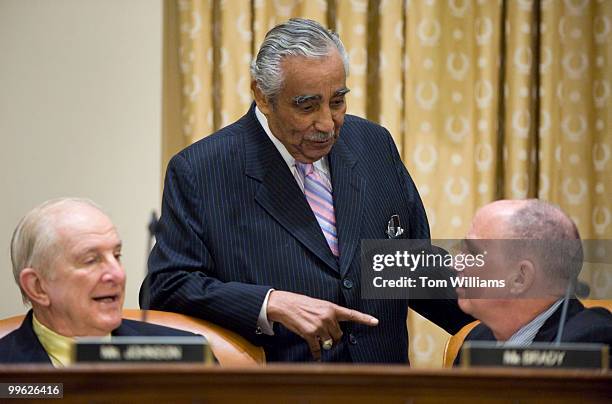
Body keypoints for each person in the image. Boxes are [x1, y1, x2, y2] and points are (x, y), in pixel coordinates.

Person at [141, 18, 472, 362]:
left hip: (385, 387)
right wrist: (270, 303)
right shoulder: (202, 170)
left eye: (338, 101)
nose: (327, 124)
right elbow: (167, 287)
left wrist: (519, 307)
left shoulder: (374, 144)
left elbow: (410, 267)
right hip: (287, 390)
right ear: (262, 96)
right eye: (307, 106)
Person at [0, 198, 196, 365]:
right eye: (91, 260)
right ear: (38, 287)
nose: (117, 274)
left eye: (117, 255)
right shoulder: (7, 370)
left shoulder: (186, 357)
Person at [455, 199, 612, 364]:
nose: (455, 263)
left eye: (472, 254)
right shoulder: (477, 339)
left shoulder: (591, 342)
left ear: (520, 278)